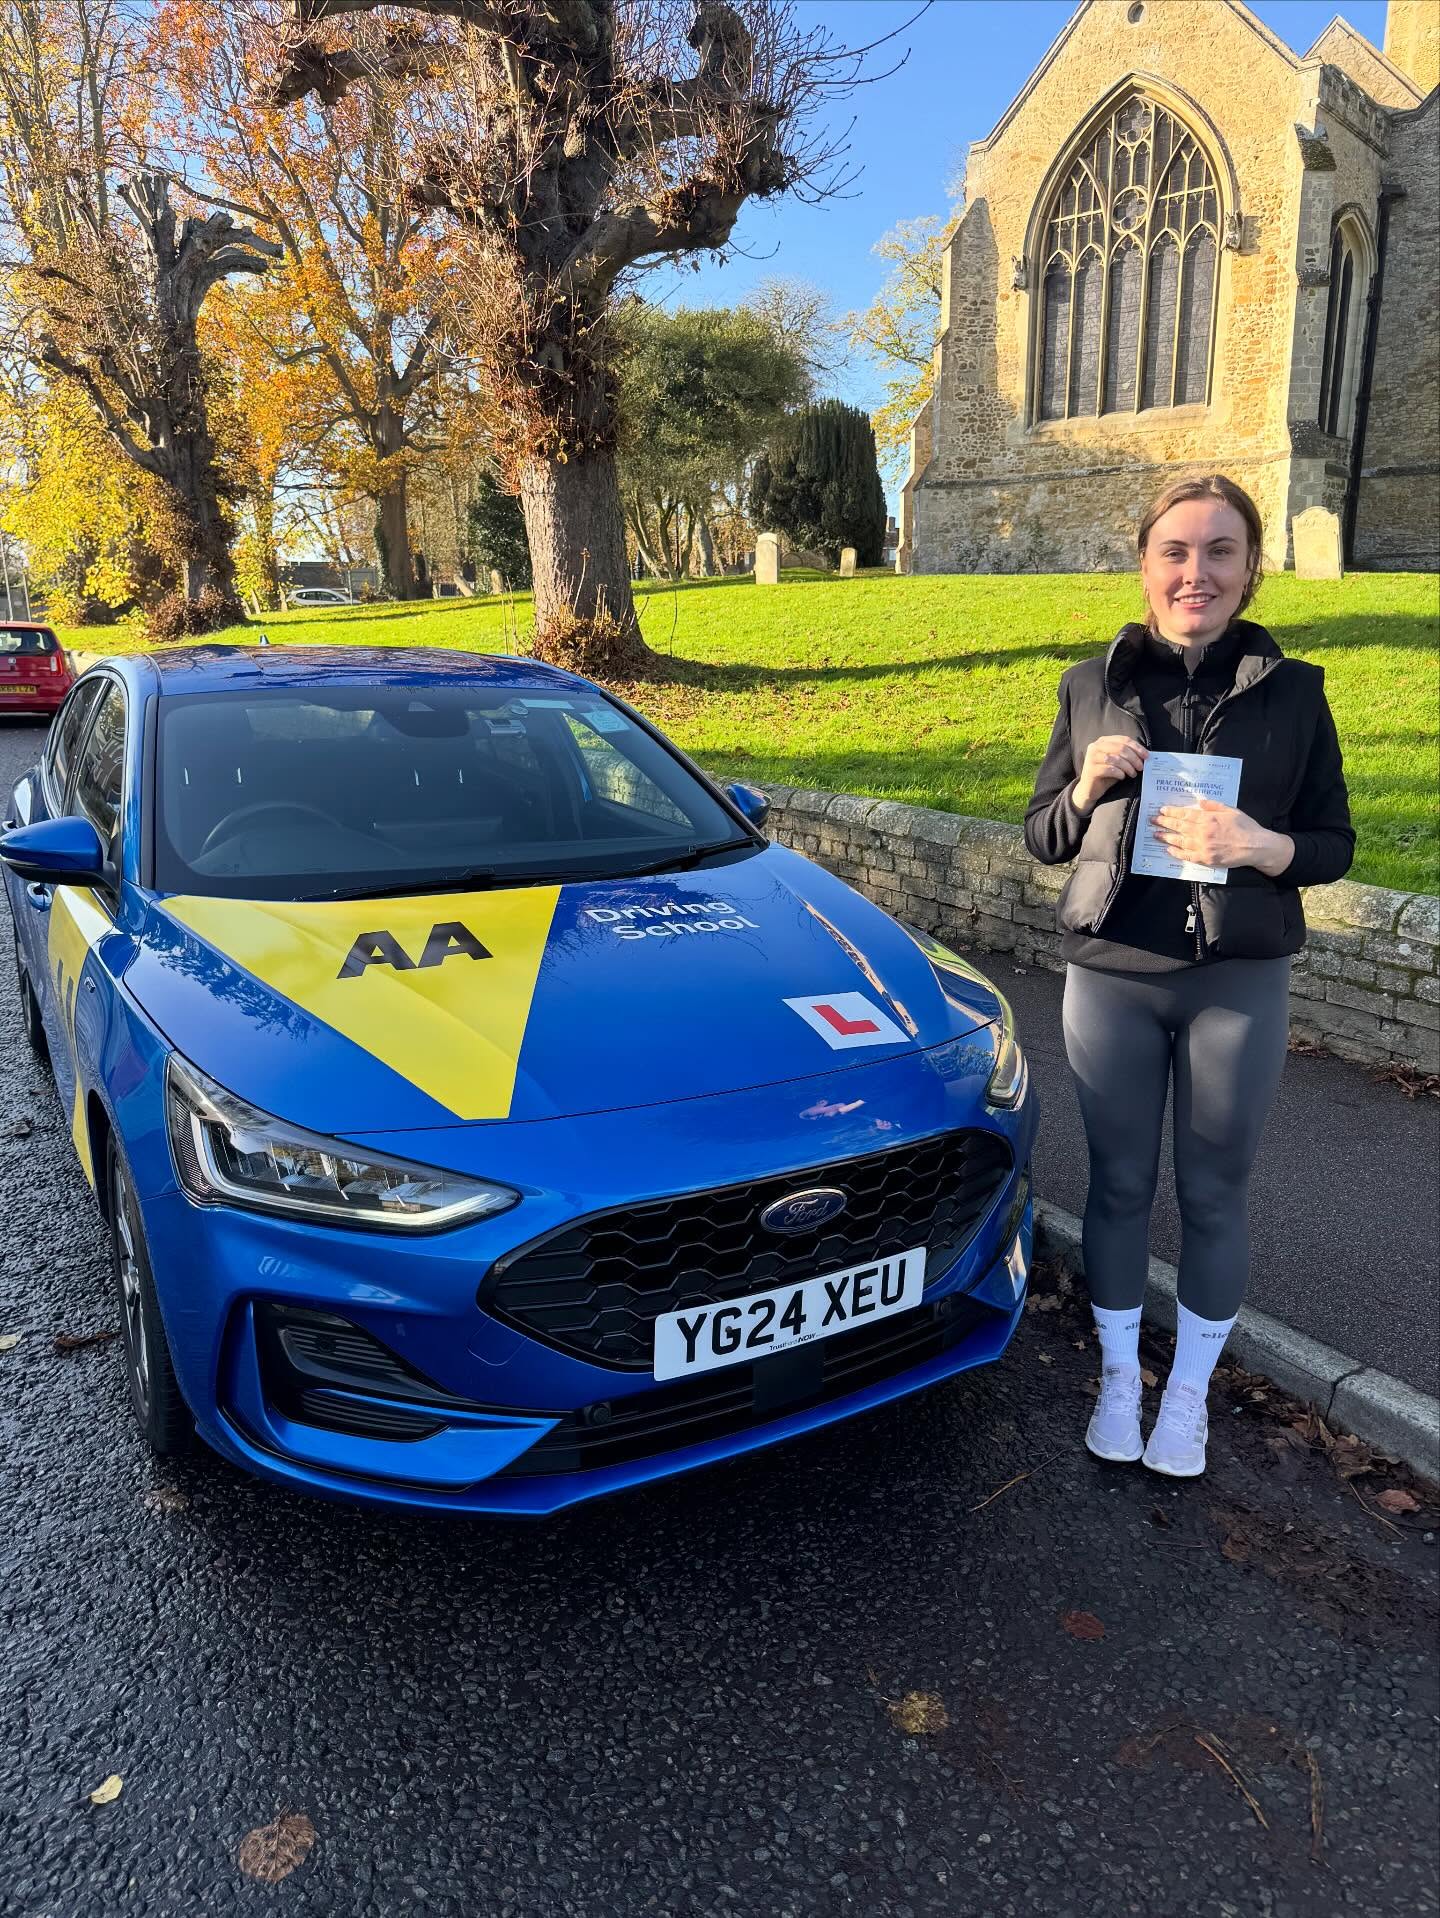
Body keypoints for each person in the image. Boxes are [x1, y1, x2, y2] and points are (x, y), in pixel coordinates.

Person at [1024, 475, 1354, 1477]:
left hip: (1235, 982)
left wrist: (1260, 843)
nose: (1195, 571)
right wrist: (1086, 785)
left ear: (1251, 569)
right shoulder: (1092, 685)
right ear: (1145, 565)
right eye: (1175, 550)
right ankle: (1122, 1378)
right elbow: (1042, 835)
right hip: (1113, 976)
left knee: (1214, 1196)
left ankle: (1190, 1399)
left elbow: (1333, 843)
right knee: (1118, 1189)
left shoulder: (1297, 694)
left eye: (1219, 551)